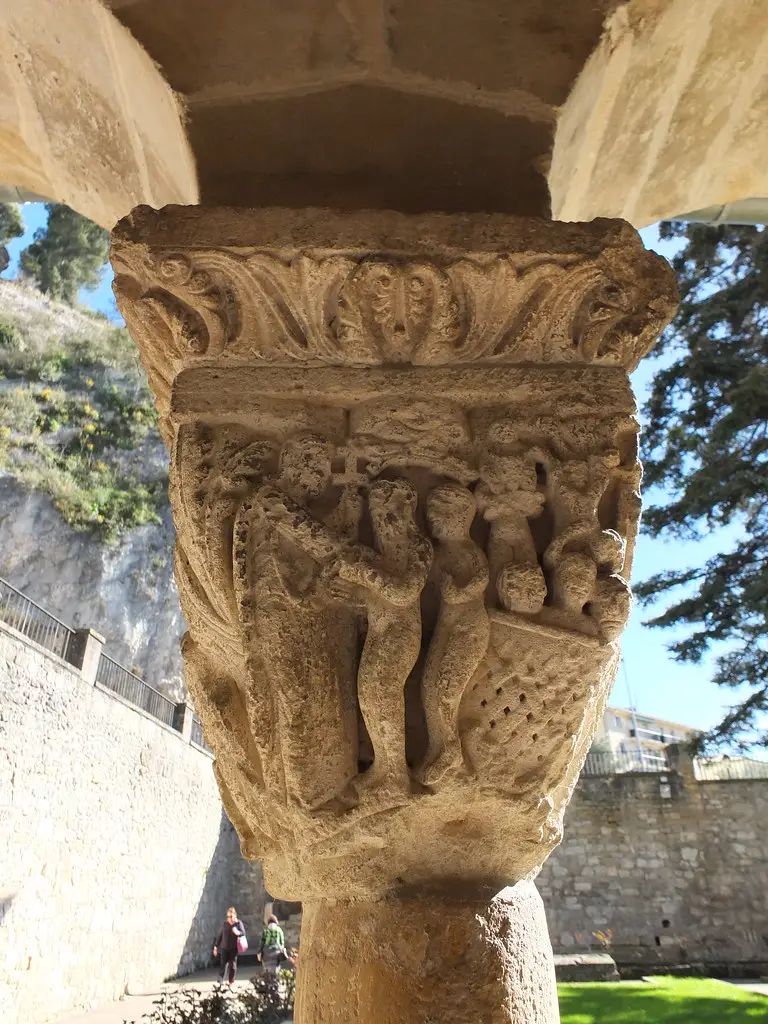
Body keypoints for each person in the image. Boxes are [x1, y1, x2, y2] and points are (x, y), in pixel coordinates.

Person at [213, 906, 246, 987]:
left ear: (235, 915)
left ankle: (231, 981)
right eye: (228, 916)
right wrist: (216, 946)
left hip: (233, 948)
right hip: (224, 948)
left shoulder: (238, 923)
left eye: (231, 916)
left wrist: (238, 932)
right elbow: (220, 935)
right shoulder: (225, 924)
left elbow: (243, 933)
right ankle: (220, 981)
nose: (229, 918)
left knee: (232, 966)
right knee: (223, 965)